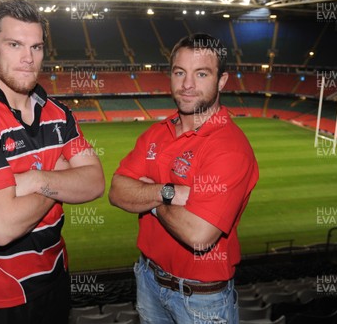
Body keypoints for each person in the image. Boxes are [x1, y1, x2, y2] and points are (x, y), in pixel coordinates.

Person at [0, 0, 105, 324]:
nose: (29, 58)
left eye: (37, 47)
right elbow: (1, 228)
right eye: (14, 45)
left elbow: (95, 183)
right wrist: (57, 175)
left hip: (58, 274)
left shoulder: (59, 114)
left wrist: (34, 179)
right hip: (2, 292)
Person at [109, 33, 259, 324]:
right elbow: (117, 191)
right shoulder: (156, 133)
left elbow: (198, 235)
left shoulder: (229, 148)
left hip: (201, 299)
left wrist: (148, 197)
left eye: (201, 74)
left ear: (222, 80)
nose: (187, 85)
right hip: (148, 279)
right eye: (180, 72)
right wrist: (168, 192)